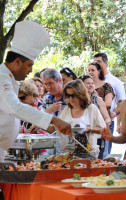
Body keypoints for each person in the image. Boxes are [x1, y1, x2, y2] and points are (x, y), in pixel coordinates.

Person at [0, 21, 71, 162]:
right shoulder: (2, 78)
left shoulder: (8, 78)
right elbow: (14, 107)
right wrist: (54, 119)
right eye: (29, 65)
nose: (32, 70)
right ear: (18, 62)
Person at [47, 79, 106, 159]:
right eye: (68, 96)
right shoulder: (66, 110)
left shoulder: (91, 109)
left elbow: (103, 130)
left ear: (81, 94)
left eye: (73, 95)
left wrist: (88, 129)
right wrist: (41, 123)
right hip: (68, 153)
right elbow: (55, 130)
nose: (70, 99)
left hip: (88, 153)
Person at [94, 53, 126, 157]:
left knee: (105, 152)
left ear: (106, 63)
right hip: (92, 122)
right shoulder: (91, 80)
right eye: (95, 62)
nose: (96, 64)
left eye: (99, 62)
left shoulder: (114, 81)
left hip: (107, 121)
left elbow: (122, 101)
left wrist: (114, 113)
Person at [79, 74, 111, 159]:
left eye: (92, 83)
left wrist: (103, 125)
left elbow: (107, 118)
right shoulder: (77, 101)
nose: (91, 85)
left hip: (97, 136)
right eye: (88, 83)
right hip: (81, 138)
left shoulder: (98, 99)